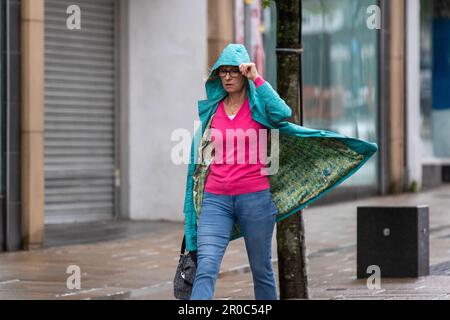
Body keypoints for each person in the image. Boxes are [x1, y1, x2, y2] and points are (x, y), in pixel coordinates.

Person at [182, 44, 378, 300]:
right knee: (206, 267)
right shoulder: (213, 110)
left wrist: (257, 78)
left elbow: (283, 113)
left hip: (255, 200)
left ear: (243, 73)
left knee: (261, 269)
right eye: (223, 72)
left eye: (233, 71)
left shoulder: (259, 108)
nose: (228, 77)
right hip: (215, 200)